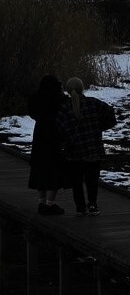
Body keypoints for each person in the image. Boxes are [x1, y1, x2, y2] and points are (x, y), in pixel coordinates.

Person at [55, 77, 116, 217]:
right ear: (82, 89)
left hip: (75, 150)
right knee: (92, 179)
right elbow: (111, 114)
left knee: (76, 181)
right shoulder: (93, 103)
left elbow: (59, 128)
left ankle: (80, 208)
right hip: (93, 147)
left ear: (68, 91)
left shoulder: (64, 108)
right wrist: (100, 128)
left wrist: (67, 140)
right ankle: (93, 205)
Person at [27, 75, 69, 215]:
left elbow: (32, 112)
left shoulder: (36, 98)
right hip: (55, 135)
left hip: (40, 135)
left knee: (40, 168)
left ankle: (41, 202)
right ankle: (50, 204)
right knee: (54, 169)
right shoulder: (60, 99)